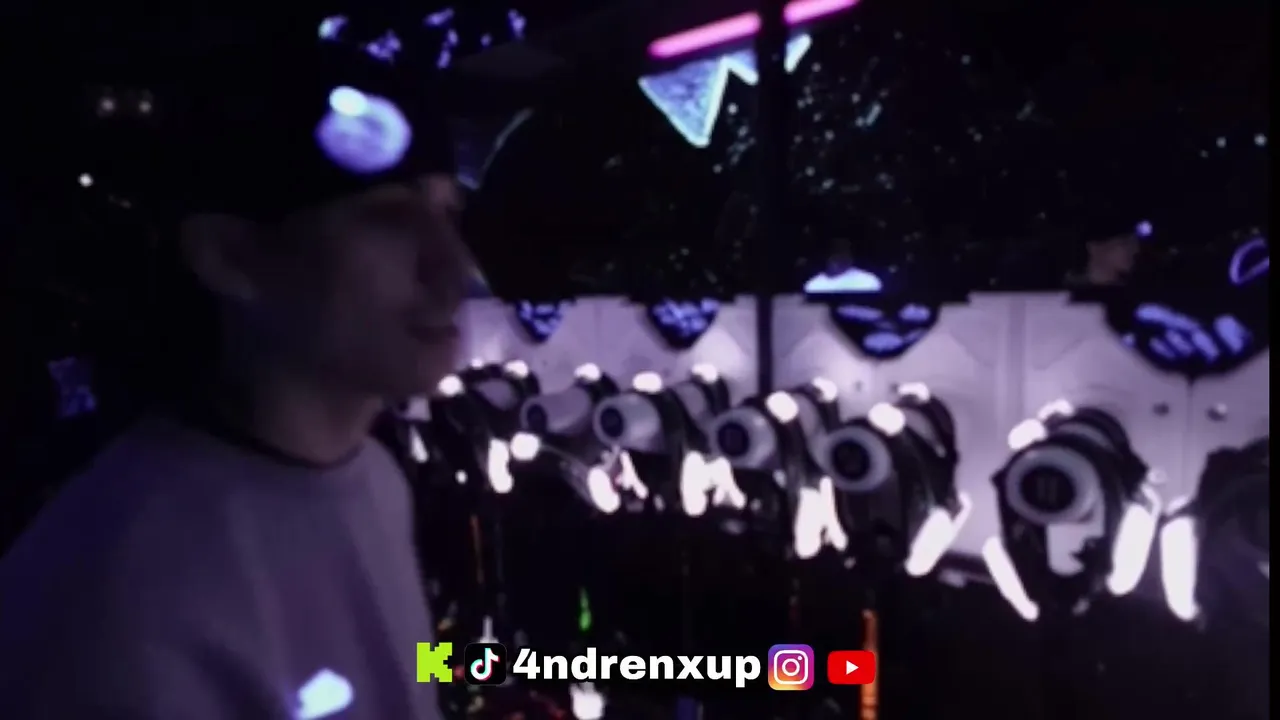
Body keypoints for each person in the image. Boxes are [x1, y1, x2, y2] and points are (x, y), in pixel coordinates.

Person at [0, 28, 469, 720]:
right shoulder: (118, 593)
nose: (455, 269)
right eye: (388, 218)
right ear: (230, 257)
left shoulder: (376, 480)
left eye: (449, 213)